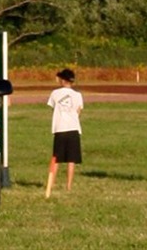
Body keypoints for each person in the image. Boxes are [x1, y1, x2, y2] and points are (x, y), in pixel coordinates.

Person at [44, 67, 83, 198]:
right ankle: (69, 185)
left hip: (59, 128)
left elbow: (53, 107)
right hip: (73, 128)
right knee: (71, 159)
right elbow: (79, 110)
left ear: (63, 80)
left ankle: (52, 182)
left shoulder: (55, 93)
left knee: (56, 158)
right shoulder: (78, 95)